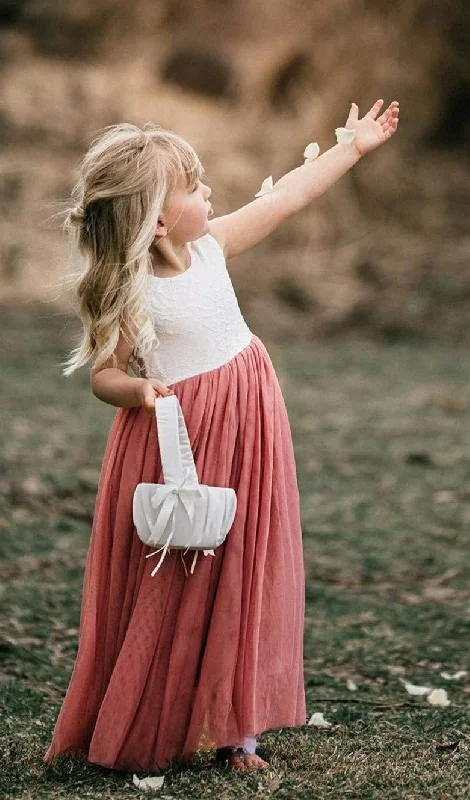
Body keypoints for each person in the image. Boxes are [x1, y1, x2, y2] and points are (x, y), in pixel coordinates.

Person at [42, 99, 399, 775]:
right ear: (152, 221)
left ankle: (238, 729)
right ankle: (165, 713)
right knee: (186, 572)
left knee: (244, 563)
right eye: (193, 187)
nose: (209, 192)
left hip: (250, 424)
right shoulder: (132, 289)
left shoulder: (210, 247)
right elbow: (104, 373)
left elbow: (288, 198)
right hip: (186, 439)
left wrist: (350, 149)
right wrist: (140, 391)